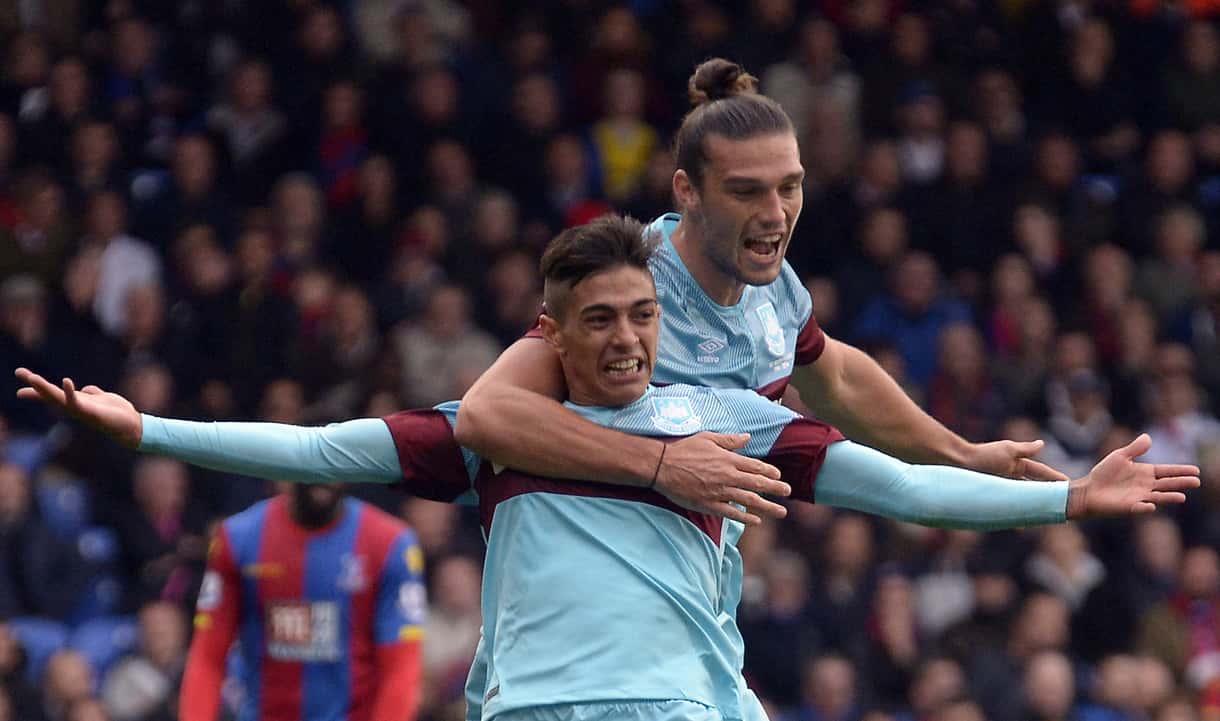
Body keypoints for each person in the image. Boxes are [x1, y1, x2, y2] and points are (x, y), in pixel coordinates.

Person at [15, 215, 1201, 721]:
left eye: (641, 314)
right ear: (554, 331)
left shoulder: (728, 415)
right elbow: (321, 450)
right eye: (600, 320)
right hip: (538, 704)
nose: (628, 338)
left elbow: (902, 489)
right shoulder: (493, 432)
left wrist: (1063, 497)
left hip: (687, 703)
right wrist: (151, 430)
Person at [453, 56, 1065, 721]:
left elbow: (836, 377)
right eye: (748, 191)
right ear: (686, 191)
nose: (776, 215)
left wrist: (963, 451)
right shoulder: (627, 287)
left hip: (693, 627)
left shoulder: (773, 293)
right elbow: (487, 414)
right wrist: (661, 463)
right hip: (581, 640)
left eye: (790, 187)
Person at [172, 479, 426, 721]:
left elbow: (401, 669)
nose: (325, 474)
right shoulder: (236, 539)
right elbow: (207, 655)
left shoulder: (390, 544)